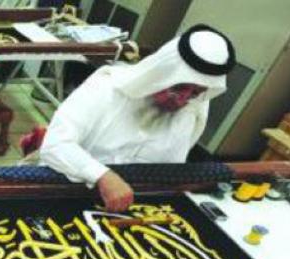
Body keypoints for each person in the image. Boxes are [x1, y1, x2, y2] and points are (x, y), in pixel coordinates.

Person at [39, 24, 235, 211]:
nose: (181, 101)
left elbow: (173, 167)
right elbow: (55, 145)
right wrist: (103, 176)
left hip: (138, 199)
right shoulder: (106, 87)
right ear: (160, 75)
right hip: (72, 188)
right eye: (177, 88)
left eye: (194, 93)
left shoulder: (195, 106)